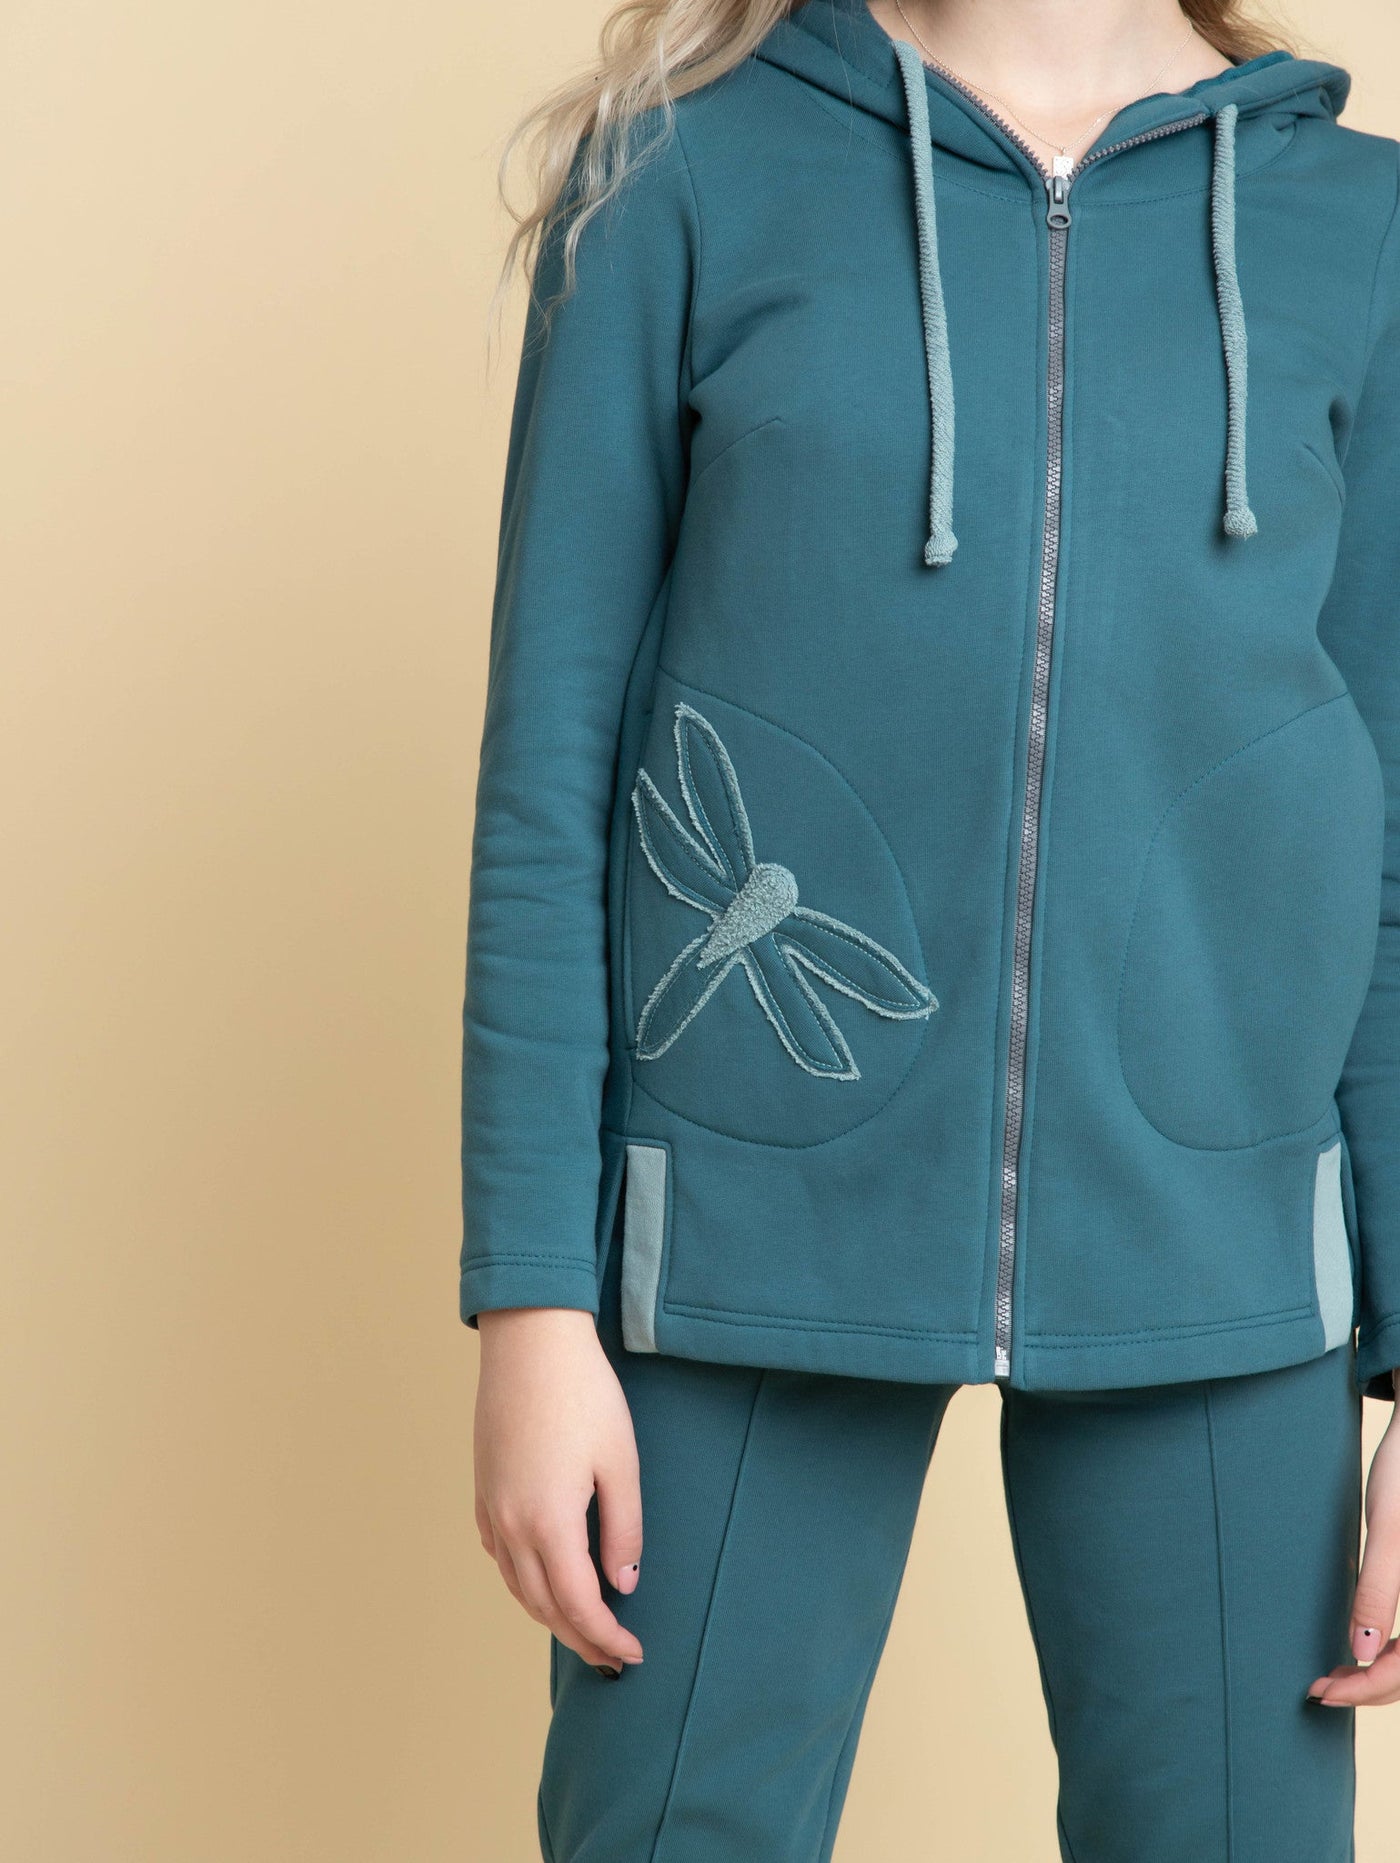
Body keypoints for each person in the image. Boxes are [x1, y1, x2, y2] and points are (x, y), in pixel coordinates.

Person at [461, 1, 1400, 1855]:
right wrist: (533, 1301)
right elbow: (553, 779)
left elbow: (1388, 826)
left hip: (1226, 1246)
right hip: (742, 1221)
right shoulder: (680, 176)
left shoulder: (1355, 227)